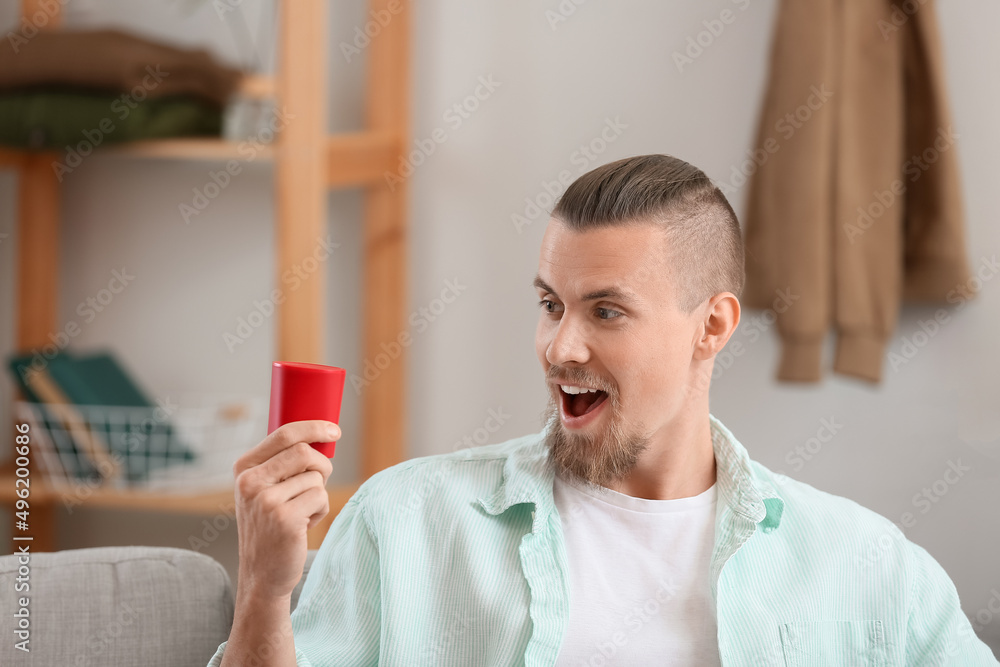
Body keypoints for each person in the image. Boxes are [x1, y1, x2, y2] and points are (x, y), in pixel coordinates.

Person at [208, 155, 998, 666]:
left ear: (712, 325)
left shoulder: (859, 563)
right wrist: (263, 596)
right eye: (551, 305)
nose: (561, 348)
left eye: (606, 312)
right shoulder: (406, 521)